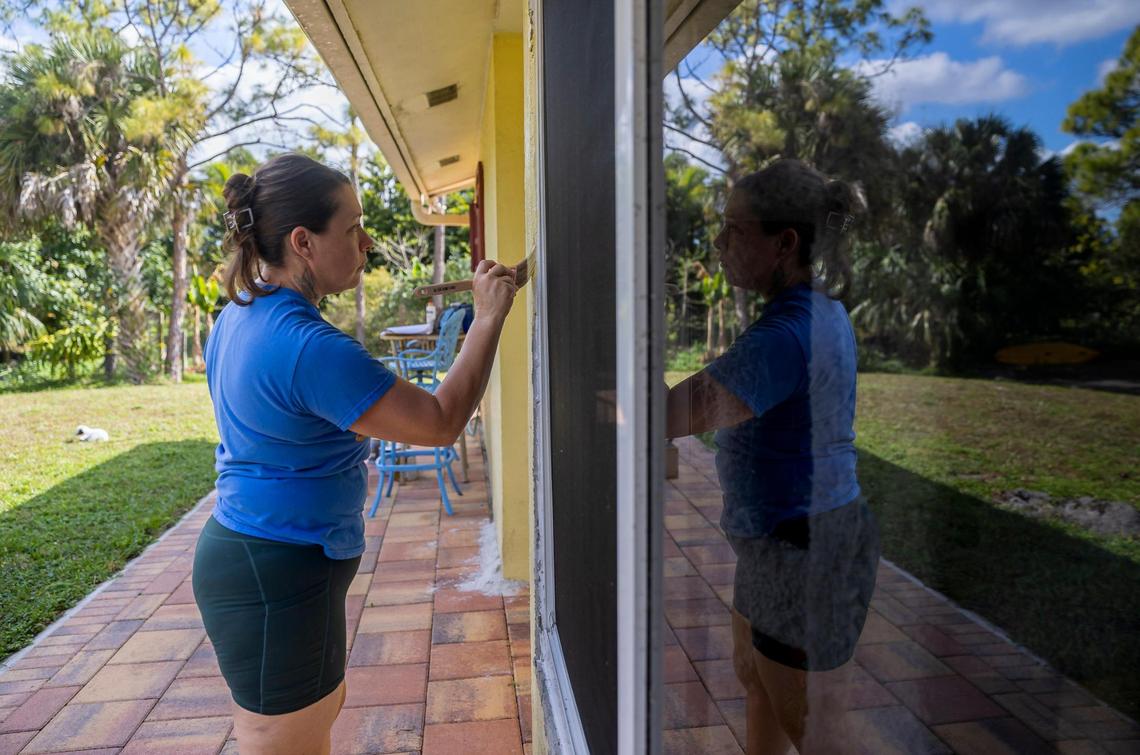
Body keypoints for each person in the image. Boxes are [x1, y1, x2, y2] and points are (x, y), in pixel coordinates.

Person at [191, 153, 518, 754]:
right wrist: (489, 317)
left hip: (268, 555)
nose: (366, 243)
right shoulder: (307, 347)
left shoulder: (240, 316)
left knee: (314, 718)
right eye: (352, 228)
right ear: (303, 242)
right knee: (282, 741)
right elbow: (442, 421)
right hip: (276, 565)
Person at [666, 159, 879, 754]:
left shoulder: (785, 336)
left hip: (804, 551)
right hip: (779, 542)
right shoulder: (816, 312)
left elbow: (668, 416)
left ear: (784, 243)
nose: (718, 243)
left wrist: (598, 396)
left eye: (735, 229)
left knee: (817, 731)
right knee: (755, 677)